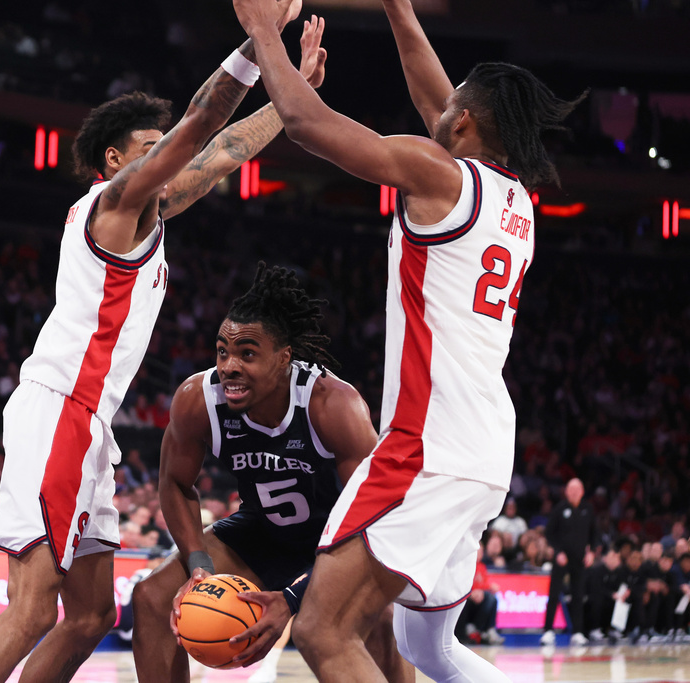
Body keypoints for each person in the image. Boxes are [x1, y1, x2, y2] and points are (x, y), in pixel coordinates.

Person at [0, 5, 327, 680]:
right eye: (151, 148)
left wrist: (290, 90)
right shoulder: (113, 205)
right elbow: (202, 126)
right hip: (61, 407)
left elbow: (221, 153)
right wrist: (259, 42)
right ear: (115, 160)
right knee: (33, 606)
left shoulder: (149, 212)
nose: (167, 156)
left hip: (89, 422)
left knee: (93, 614)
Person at [230, 0, 585, 680]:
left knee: (323, 629)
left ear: (466, 123)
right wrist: (397, 7)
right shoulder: (515, 204)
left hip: (428, 444)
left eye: (453, 108)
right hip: (483, 449)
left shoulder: (439, 174)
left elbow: (307, 122)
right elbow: (438, 101)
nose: (440, 107)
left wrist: (260, 35)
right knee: (429, 650)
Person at [132, 264, 410, 683]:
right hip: (262, 531)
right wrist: (199, 565)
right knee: (152, 598)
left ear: (284, 358)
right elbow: (174, 483)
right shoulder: (197, 401)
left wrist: (294, 596)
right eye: (223, 351)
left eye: (247, 354)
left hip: (338, 540)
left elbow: (375, 516)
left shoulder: (332, 405)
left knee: (380, 617)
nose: (229, 366)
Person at [541, 478, 596, 646]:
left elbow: (595, 534)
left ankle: (577, 632)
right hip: (562, 559)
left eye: (576, 489)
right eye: (570, 489)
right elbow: (549, 533)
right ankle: (548, 631)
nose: (573, 492)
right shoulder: (560, 509)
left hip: (579, 560)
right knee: (554, 593)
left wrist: (591, 552)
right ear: (566, 492)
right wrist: (557, 552)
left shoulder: (588, 509)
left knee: (578, 595)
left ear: (582, 492)